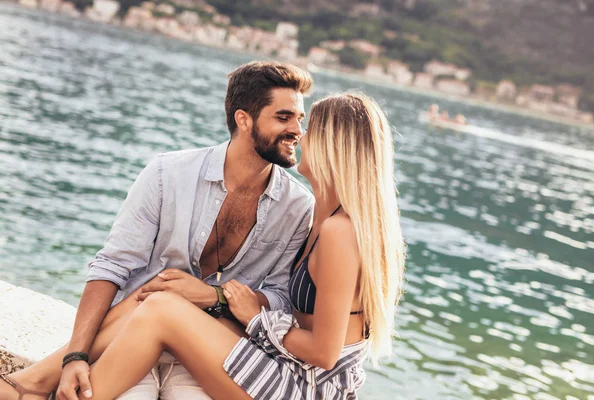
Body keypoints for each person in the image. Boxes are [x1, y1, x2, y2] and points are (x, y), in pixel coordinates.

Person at [0, 60, 315, 400]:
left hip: (208, 351)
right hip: (130, 335)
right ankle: (35, 380)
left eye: (300, 118)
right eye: (284, 117)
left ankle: (30, 383)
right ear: (244, 119)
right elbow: (112, 266)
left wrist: (217, 297)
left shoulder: (298, 207)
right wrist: (75, 355)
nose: (298, 129)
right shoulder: (168, 173)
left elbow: (283, 299)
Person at [66, 92, 404, 399]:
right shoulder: (321, 214)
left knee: (161, 309)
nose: (301, 135)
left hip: (307, 386)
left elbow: (324, 352)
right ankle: (50, 373)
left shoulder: (340, 231)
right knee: (164, 296)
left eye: (310, 128)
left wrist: (257, 317)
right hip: (291, 365)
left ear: (334, 146)